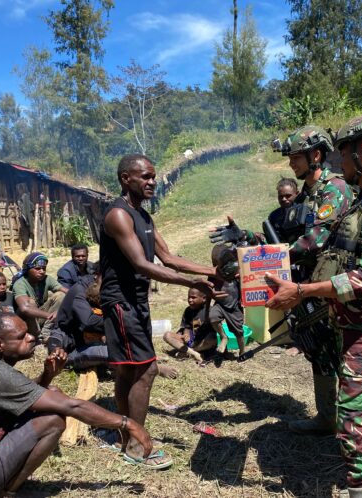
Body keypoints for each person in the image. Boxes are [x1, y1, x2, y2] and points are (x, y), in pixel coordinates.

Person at [267, 113, 362, 497]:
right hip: (352, 321)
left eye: (344, 156)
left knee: (351, 421)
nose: (339, 164)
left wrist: (301, 292)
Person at [212, 126, 354, 435]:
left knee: (347, 355)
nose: (291, 162)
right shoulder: (306, 196)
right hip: (309, 286)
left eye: (296, 156)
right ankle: (327, 419)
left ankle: (356, 424)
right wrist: (246, 237)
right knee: (319, 350)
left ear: (315, 155)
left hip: (333, 286)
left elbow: (313, 241)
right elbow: (281, 238)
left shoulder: (335, 190)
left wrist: (263, 261)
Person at [0, 312, 153, 498]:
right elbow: (73, 407)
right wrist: (127, 423)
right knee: (52, 420)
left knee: (53, 393)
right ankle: (7, 491)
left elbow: (30, 395)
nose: (31, 337)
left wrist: (48, 376)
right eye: (21, 336)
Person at [99, 153, 220, 469]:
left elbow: (169, 258)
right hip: (121, 303)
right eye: (146, 176)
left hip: (136, 303)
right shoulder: (119, 215)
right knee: (145, 369)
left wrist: (211, 271)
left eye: (153, 176)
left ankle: (125, 437)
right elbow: (142, 264)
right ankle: (137, 447)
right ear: (126, 178)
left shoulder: (144, 218)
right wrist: (191, 283)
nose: (153, 182)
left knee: (128, 370)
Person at [12, 252, 67, 344]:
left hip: (40, 316)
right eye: (37, 268)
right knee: (31, 303)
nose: (41, 271)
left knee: (61, 295)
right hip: (25, 320)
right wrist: (49, 316)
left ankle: (46, 331)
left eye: (43, 268)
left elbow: (66, 291)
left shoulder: (46, 279)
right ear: (28, 269)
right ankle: (37, 336)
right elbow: (24, 308)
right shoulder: (20, 284)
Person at [163, 287, 220, 363]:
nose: (190, 300)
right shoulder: (188, 310)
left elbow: (217, 331)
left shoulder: (210, 311)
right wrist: (186, 334)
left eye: (193, 297)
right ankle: (194, 353)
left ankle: (186, 351)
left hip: (204, 343)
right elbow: (186, 327)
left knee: (213, 338)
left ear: (204, 299)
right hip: (191, 341)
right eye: (189, 297)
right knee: (167, 335)